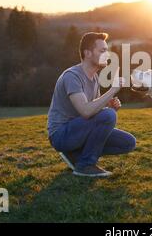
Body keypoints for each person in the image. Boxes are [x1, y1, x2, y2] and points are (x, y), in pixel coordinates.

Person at [47, 32, 136, 177]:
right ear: (87, 53)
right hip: (61, 135)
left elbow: (95, 112)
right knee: (108, 115)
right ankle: (85, 165)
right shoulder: (72, 76)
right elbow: (86, 111)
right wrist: (112, 91)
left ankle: (75, 154)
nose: (107, 54)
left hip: (79, 131)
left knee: (128, 142)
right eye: (102, 51)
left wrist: (111, 108)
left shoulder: (94, 78)